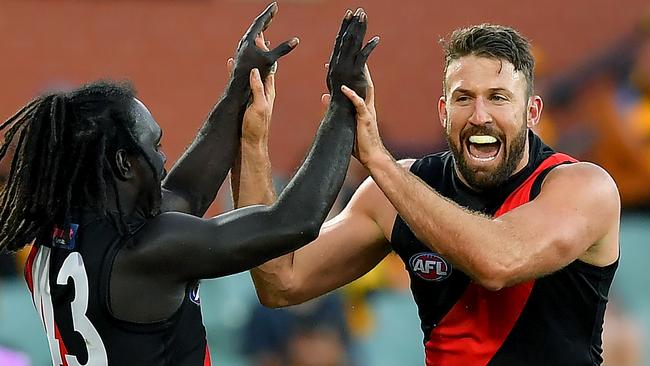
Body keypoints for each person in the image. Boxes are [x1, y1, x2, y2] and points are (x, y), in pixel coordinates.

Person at [0, 4, 378, 365]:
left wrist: (239, 87)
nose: (164, 159)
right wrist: (344, 105)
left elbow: (186, 192)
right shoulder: (147, 250)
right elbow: (294, 222)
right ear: (122, 165)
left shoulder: (57, 240)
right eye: (155, 145)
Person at [241, 24, 621, 365]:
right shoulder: (396, 190)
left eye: (499, 98)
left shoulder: (584, 187)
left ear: (532, 112)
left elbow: (499, 262)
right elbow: (280, 282)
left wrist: (379, 161)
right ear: (443, 111)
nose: (480, 116)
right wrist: (251, 142)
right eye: (463, 98)